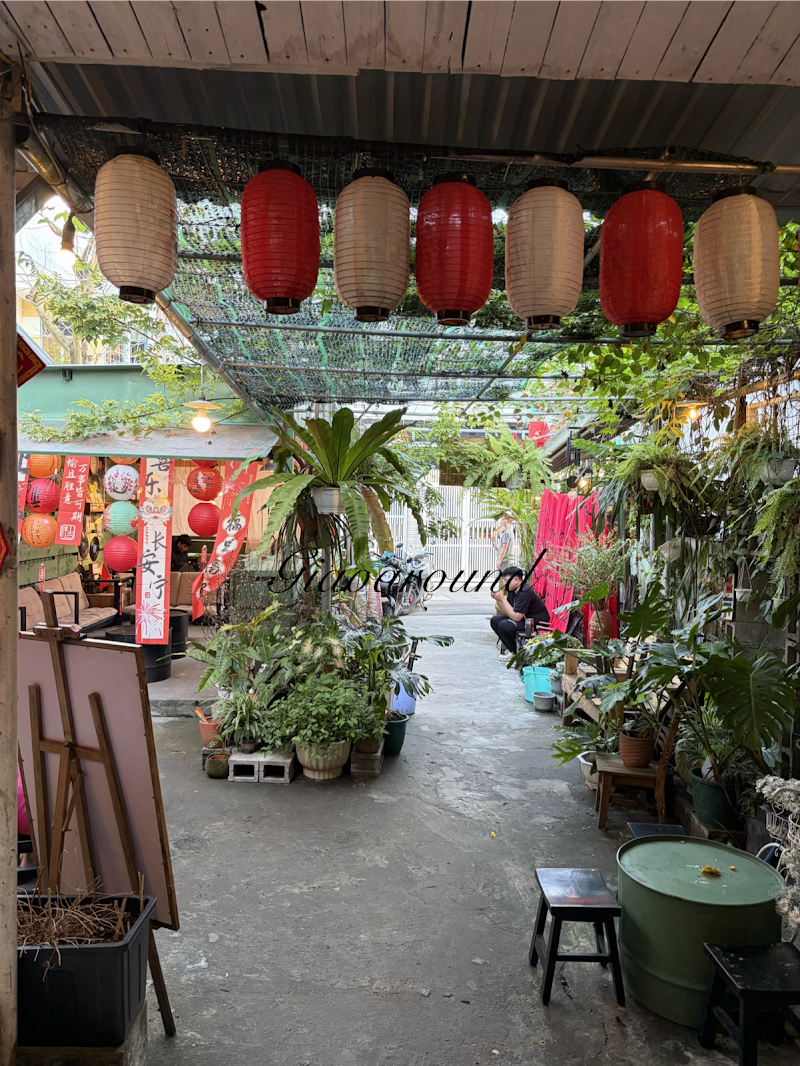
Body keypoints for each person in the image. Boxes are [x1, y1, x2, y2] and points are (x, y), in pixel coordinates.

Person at [490, 565, 549, 660]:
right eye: (504, 580)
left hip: (536, 623)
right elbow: (506, 614)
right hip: (524, 621)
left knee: (505, 625)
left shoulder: (524, 592)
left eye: (506, 580)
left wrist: (503, 599)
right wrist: (499, 600)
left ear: (517, 580)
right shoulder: (512, 590)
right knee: (495, 620)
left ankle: (517, 654)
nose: (505, 583)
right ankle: (513, 651)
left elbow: (517, 617)